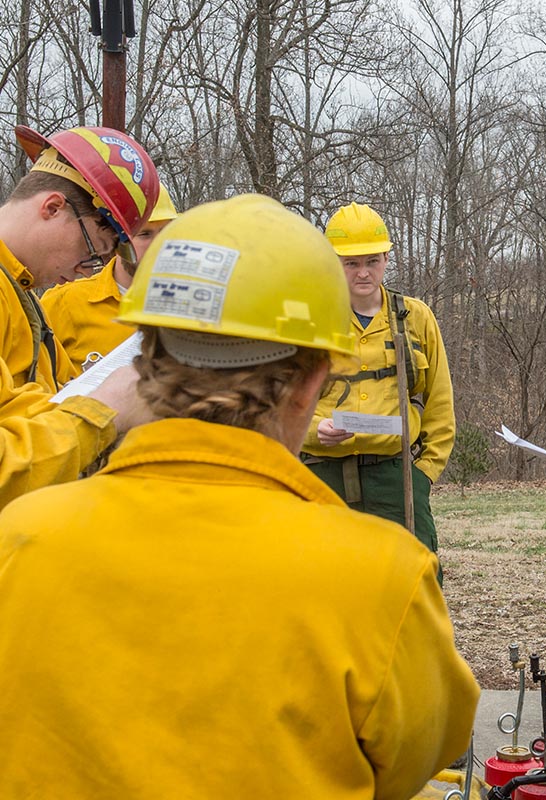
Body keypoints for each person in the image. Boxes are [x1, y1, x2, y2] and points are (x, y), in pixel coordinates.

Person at [0, 194, 479, 797]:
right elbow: (417, 757)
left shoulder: (20, 540)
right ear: (310, 382)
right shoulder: (383, 575)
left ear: (143, 364)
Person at [0, 124, 160, 507]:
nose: (85, 270)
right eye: (93, 250)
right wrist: (105, 406)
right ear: (52, 208)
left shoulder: (22, 298)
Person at [301, 202, 455, 560]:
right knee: (325, 585)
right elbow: (280, 401)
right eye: (350, 263)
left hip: (396, 477)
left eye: (372, 261)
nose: (363, 273)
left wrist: (424, 475)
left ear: (387, 258)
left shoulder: (414, 317)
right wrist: (312, 431)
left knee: (413, 586)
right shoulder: (306, 319)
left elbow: (440, 403)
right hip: (321, 474)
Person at [41, 181, 178, 372]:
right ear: (117, 239)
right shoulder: (65, 304)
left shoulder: (188, 305)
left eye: (166, 232)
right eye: (144, 234)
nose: (158, 244)